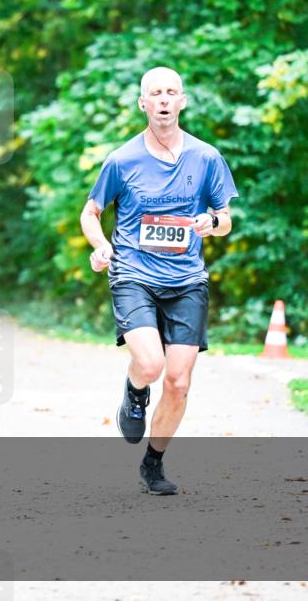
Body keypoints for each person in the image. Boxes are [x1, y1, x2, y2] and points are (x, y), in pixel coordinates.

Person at [80, 66, 237, 495]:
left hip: (187, 279)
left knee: (179, 381)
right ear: (143, 104)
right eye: (156, 93)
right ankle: (134, 390)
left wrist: (212, 222)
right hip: (133, 272)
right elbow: (90, 213)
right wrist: (99, 245)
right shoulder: (122, 159)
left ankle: (154, 462)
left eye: (171, 92)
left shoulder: (206, 157)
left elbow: (225, 219)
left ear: (182, 101)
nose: (164, 99)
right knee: (150, 365)